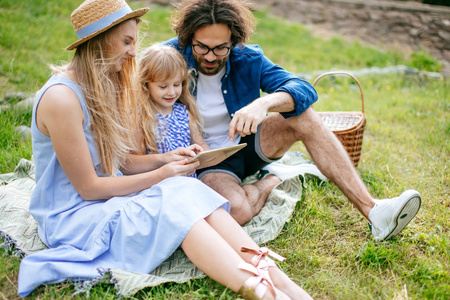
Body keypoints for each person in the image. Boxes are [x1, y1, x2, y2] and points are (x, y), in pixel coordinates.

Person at [17, 1, 312, 299]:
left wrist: (166, 160)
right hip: (75, 215)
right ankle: (261, 291)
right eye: (127, 41)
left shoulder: (104, 83)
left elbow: (120, 165)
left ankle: (280, 282)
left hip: (110, 196)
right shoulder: (62, 99)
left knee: (185, 189)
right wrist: (161, 174)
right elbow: (90, 188)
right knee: (175, 201)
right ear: (100, 39)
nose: (134, 51)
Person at [164, 0, 422, 241]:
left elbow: (303, 89)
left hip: (247, 143)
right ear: (188, 38)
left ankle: (374, 211)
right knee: (235, 211)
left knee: (303, 115)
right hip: (206, 159)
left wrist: (262, 103)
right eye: (202, 47)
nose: (210, 56)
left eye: (221, 48)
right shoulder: (168, 55)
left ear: (234, 40)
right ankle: (273, 180)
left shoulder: (248, 58)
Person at [137, 44, 209, 178]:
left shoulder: (184, 113)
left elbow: (200, 144)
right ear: (145, 84)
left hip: (187, 183)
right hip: (157, 184)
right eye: (163, 86)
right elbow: (131, 163)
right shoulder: (143, 116)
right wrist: (164, 158)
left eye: (177, 84)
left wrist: (205, 154)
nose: (171, 92)